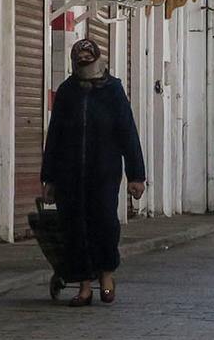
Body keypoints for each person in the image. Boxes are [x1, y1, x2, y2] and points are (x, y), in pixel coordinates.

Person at [40, 37, 146, 307]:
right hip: (69, 175)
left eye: (89, 56)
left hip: (104, 172)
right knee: (75, 228)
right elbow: (55, 136)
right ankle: (84, 286)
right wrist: (49, 178)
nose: (85, 62)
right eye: (80, 58)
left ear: (97, 58)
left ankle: (106, 276)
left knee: (105, 224)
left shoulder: (113, 90)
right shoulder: (67, 91)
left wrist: (136, 175)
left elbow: (128, 133)